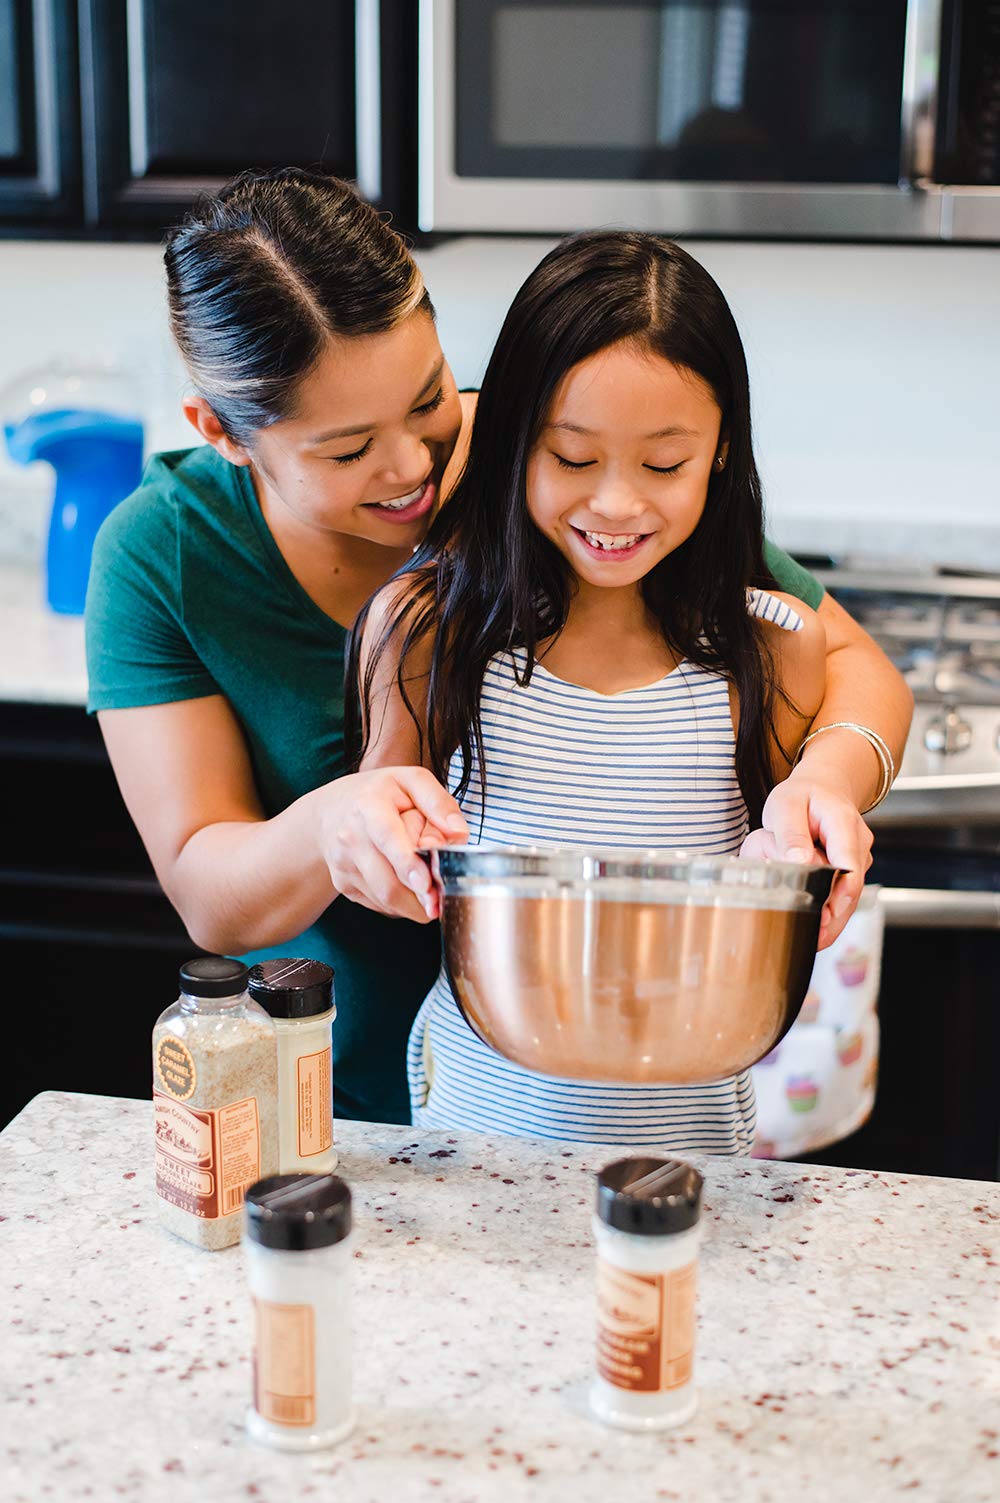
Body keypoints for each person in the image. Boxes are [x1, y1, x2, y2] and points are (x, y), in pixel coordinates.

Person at [85, 169, 911, 1126]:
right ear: (222, 431)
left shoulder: (555, 461)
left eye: (429, 398)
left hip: (647, 1089)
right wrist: (331, 825)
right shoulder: (164, 555)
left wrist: (830, 780)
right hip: (349, 1083)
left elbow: (847, 663)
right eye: (348, 450)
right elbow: (211, 899)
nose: (415, 468)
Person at [352, 231, 845, 1149]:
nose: (617, 504)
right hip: (475, 1140)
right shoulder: (430, 631)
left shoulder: (776, 650)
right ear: (510, 445)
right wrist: (385, 850)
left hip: (693, 1155)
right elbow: (385, 828)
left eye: (664, 465)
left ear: (722, 453)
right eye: (573, 460)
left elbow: (790, 858)